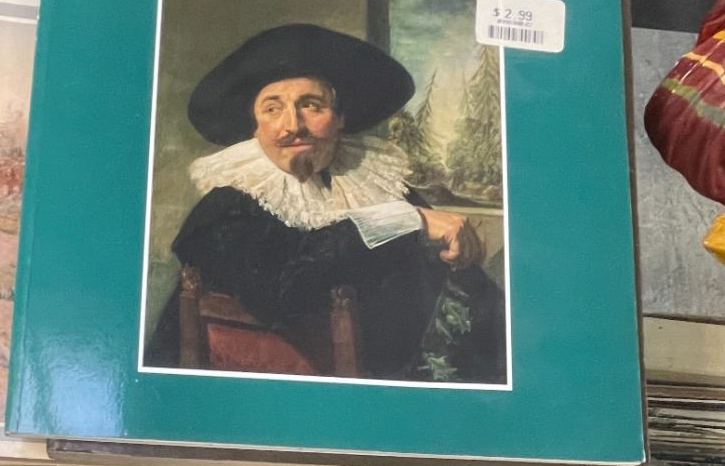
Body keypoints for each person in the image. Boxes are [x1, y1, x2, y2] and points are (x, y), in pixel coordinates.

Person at [145, 22, 504, 386]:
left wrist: (461, 260)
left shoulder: (377, 184)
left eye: (310, 105)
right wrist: (407, 220)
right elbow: (286, 290)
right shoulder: (227, 205)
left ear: (340, 118)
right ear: (254, 126)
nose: (292, 125)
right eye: (272, 109)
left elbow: (453, 285)